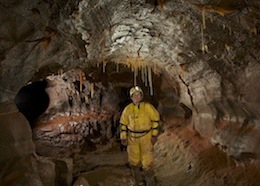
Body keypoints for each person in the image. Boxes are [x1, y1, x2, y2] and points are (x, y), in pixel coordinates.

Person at [120, 86, 160, 186]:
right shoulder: (127, 109)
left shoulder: (147, 107)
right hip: (132, 138)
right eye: (135, 95)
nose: (137, 97)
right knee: (134, 160)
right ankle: (137, 181)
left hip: (146, 137)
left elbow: (155, 120)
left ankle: (150, 182)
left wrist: (154, 135)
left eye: (138, 95)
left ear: (141, 96)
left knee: (147, 160)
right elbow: (123, 124)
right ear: (131, 97)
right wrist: (123, 137)